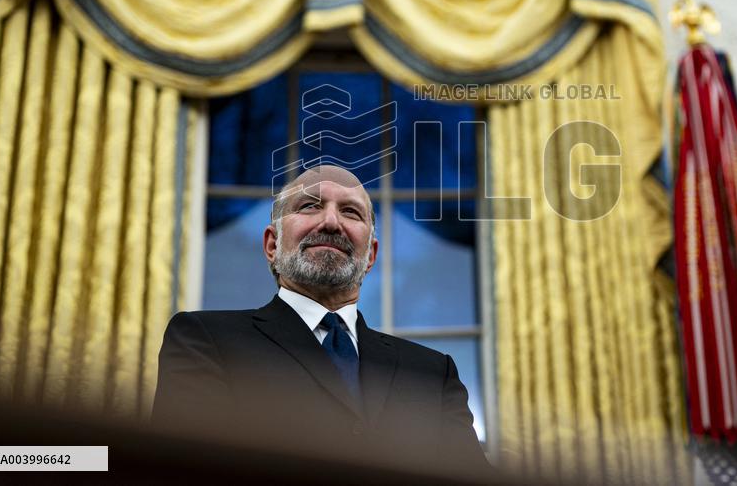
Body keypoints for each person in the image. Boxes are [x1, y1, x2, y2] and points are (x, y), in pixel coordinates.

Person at [152, 164, 489, 477]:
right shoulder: (205, 341)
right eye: (309, 206)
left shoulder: (434, 374)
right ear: (272, 245)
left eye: (350, 212)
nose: (331, 222)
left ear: (371, 255)